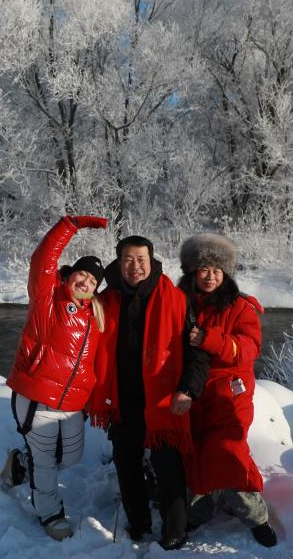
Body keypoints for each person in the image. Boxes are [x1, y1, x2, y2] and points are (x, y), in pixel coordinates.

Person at [88, 235, 209, 550]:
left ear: (152, 261)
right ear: (119, 262)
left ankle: (175, 531)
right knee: (126, 466)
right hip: (121, 400)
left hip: (162, 401)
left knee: (168, 468)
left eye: (141, 259)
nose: (135, 266)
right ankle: (138, 523)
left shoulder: (175, 299)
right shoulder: (105, 300)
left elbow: (197, 352)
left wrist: (188, 390)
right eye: (128, 259)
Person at [1, 214, 108, 541]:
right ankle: (50, 513)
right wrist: (71, 225)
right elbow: (43, 258)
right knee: (45, 461)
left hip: (73, 404)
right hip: (37, 396)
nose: (86, 282)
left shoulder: (95, 316)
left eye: (93, 281)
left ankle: (19, 464)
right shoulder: (48, 298)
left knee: (70, 458)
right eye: (82, 274)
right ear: (70, 274)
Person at [177, 233, 278, 548]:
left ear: (226, 273)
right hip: (193, 391)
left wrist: (210, 340)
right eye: (204, 269)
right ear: (192, 272)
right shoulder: (180, 302)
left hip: (230, 392)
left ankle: (256, 517)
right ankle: (198, 511)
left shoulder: (240, 306)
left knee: (228, 451)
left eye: (217, 270)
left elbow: (249, 348)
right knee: (195, 452)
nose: (210, 276)